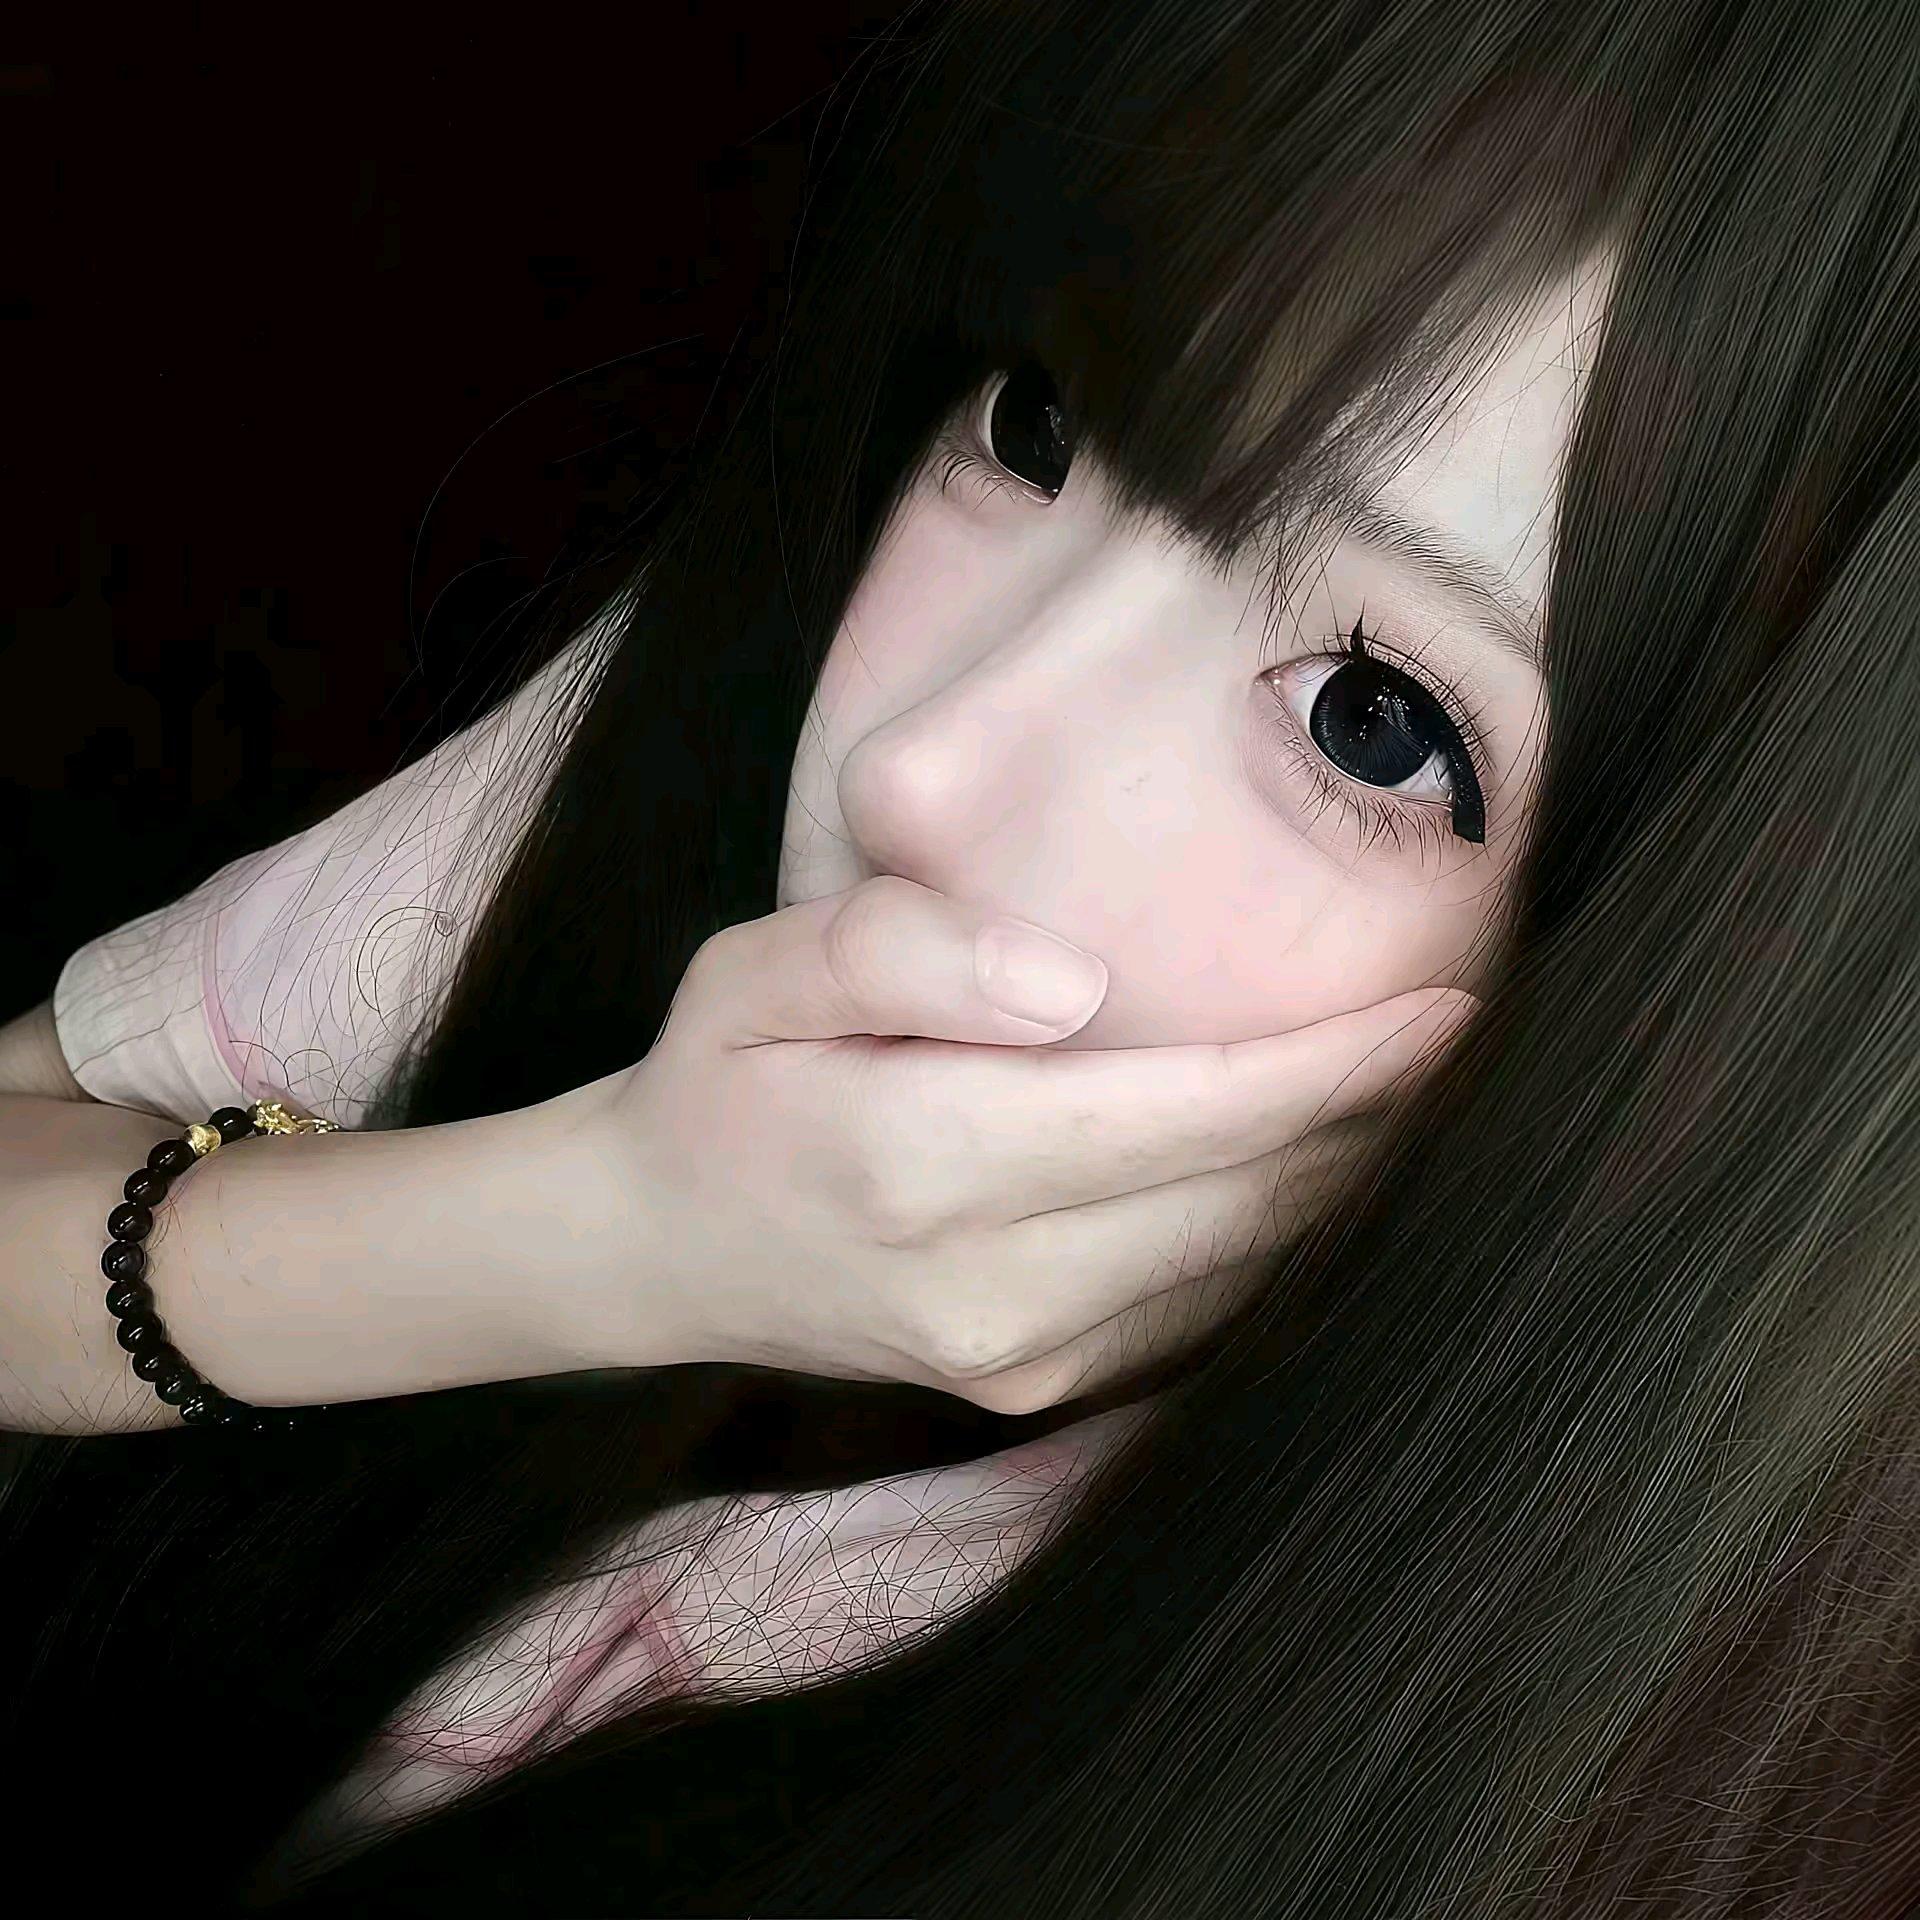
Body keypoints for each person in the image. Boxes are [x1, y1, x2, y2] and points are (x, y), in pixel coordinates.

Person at [2, 0, 1916, 1912]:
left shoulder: (1614, 1787)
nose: (921, 763)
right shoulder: (723, 734)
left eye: (1372, 723)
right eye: (1039, 427)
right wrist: (586, 1229)